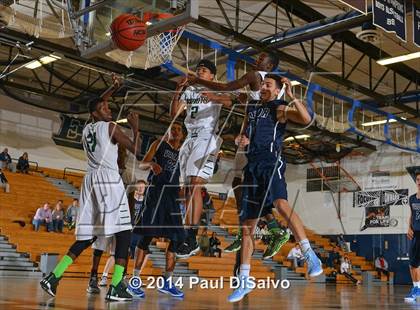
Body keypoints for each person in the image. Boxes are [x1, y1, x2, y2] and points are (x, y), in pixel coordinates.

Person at [40, 75, 141, 302]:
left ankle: (53, 277)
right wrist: (136, 128)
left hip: (90, 182)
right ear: (96, 113)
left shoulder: (88, 129)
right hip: (109, 181)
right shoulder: (111, 127)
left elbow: (96, 104)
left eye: (108, 106)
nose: (108, 108)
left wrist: (113, 88)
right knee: (125, 233)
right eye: (104, 107)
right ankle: (116, 286)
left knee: (88, 236)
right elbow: (136, 150)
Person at [227, 74, 322, 303]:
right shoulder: (252, 110)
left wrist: (291, 97)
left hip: (271, 163)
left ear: (278, 90)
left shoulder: (279, 107)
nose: (263, 88)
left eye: (268, 85)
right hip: (252, 167)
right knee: (247, 227)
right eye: (262, 85)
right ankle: (244, 278)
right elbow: (246, 134)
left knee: (280, 204)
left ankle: (309, 254)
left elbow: (306, 117)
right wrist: (241, 139)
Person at [211, 53, 290, 261]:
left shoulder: (257, 76)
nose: (257, 59)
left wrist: (202, 83)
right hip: (249, 138)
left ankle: (251, 229)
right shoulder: (259, 89)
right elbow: (243, 104)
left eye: (263, 58)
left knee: (244, 185)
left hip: (258, 144)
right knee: (242, 186)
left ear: (270, 65)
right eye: (258, 57)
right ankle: (269, 228)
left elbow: (230, 87)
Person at [171, 59, 233, 258]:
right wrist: (178, 90)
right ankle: (188, 234)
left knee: (195, 185)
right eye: (198, 70)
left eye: (204, 70)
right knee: (188, 187)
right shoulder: (190, 91)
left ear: (212, 75)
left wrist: (213, 96)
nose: (200, 72)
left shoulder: (219, 89)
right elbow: (174, 113)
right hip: (190, 139)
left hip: (207, 137)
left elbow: (230, 101)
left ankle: (191, 236)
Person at [128, 122, 185, 298]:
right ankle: (134, 281)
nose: (174, 131)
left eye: (178, 129)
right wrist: (152, 164)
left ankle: (167, 282)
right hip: (156, 192)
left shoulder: (183, 153)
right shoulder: (158, 144)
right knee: (147, 236)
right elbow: (142, 164)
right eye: (171, 128)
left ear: (182, 135)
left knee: (177, 238)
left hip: (172, 196)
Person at [405, 171, 420, 302]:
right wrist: (409, 227)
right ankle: (416, 289)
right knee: (413, 264)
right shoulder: (412, 199)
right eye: (418, 179)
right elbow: (411, 215)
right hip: (416, 234)